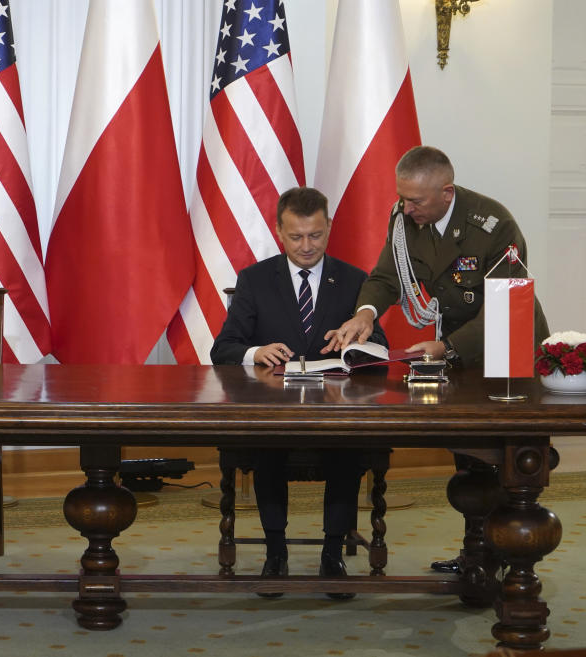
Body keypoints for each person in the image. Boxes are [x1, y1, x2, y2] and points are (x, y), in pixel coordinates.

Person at [325, 145, 550, 574]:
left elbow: (506, 306)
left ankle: (511, 562)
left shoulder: (494, 224)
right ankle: (475, 554)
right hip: (461, 350)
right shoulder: (405, 218)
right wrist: (365, 314)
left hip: (507, 349)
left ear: (446, 191)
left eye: (416, 200)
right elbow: (388, 276)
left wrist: (445, 348)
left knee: (509, 465)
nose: (407, 208)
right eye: (403, 198)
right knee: (469, 459)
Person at [211, 186, 387, 599]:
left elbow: (379, 347)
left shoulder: (354, 281)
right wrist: (257, 351)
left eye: (316, 235)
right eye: (296, 237)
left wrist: (354, 344)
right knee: (269, 449)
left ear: (329, 228)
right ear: (278, 231)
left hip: (335, 412)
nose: (307, 246)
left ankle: (332, 556)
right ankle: (276, 554)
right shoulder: (255, 279)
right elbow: (223, 348)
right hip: (274, 411)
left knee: (347, 451)